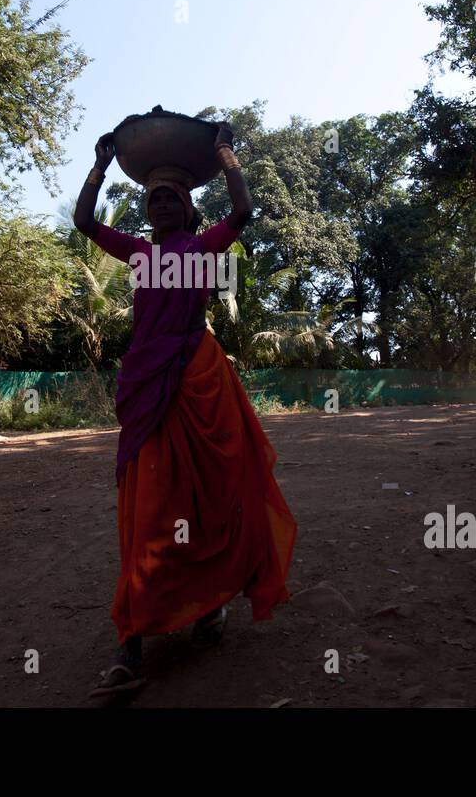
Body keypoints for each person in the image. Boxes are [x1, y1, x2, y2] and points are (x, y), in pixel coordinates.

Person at [73, 122, 298, 696]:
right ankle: (130, 644)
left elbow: (244, 212)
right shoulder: (139, 255)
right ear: (147, 212)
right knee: (149, 510)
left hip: (199, 382)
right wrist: (98, 168)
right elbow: (84, 223)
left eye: (172, 198)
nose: (162, 205)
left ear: (190, 211)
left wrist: (225, 154)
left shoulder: (202, 249)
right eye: (154, 200)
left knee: (208, 500)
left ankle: (209, 606)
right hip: (149, 389)